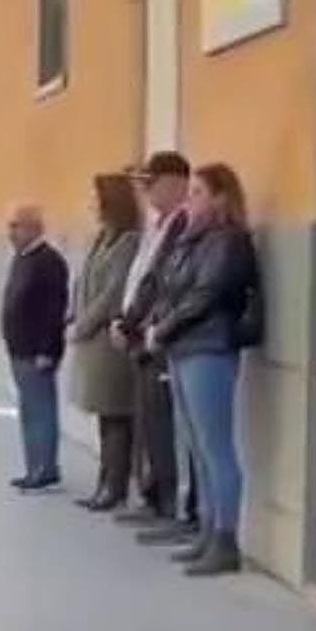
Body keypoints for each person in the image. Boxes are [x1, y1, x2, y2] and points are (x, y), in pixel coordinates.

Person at [145, 163, 260, 576]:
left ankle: (226, 539)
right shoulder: (193, 239)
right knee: (196, 446)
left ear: (220, 198)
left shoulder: (229, 241)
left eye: (197, 192)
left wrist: (166, 327)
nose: (189, 200)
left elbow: (206, 294)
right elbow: (171, 287)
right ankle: (209, 532)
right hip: (183, 347)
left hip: (209, 348)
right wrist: (159, 325)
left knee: (216, 448)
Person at [113, 151, 192, 542]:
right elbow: (140, 277)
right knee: (149, 423)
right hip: (141, 334)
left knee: (164, 426)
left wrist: (138, 324)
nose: (146, 192)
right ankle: (152, 497)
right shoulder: (157, 225)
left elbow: (160, 282)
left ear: (176, 183)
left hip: (159, 337)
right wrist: (125, 321)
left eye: (151, 183)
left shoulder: (181, 225)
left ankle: (170, 506)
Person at [70, 172, 141, 512]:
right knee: (103, 417)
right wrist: (73, 317)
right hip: (91, 342)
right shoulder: (102, 239)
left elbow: (113, 292)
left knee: (116, 415)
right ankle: (105, 481)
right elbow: (82, 283)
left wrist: (83, 325)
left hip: (108, 346)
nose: (92, 204)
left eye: (96, 199)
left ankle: (115, 486)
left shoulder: (128, 241)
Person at [1, 205, 69, 491]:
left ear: (33, 228)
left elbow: (54, 310)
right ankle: (33, 466)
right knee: (29, 411)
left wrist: (47, 349)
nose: (10, 233)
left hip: (36, 351)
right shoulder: (22, 259)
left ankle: (45, 467)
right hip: (19, 348)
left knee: (41, 410)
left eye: (16, 226)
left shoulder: (49, 261)